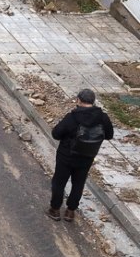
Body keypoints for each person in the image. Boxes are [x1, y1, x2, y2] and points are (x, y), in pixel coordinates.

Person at [49, 88, 114, 221]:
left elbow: (56, 134)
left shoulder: (72, 117)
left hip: (66, 156)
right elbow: (109, 135)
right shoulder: (103, 117)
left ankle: (55, 209)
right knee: (78, 184)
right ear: (93, 101)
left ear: (78, 100)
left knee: (59, 182)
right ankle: (70, 212)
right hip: (86, 157)